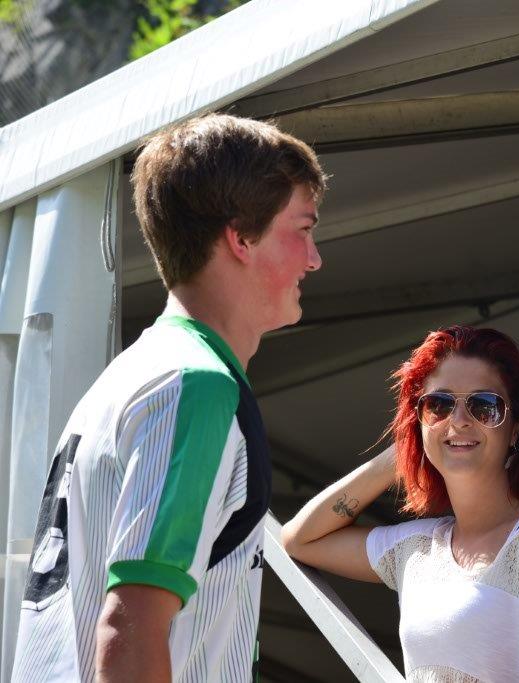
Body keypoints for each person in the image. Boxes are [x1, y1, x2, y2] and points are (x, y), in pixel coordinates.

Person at [11, 114, 326, 682]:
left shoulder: (130, 375)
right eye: (302, 229)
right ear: (241, 238)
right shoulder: (195, 386)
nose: (314, 257)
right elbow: (128, 628)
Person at [282, 325, 519, 682]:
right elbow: (300, 539)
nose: (459, 420)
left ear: (515, 429)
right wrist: (404, 450)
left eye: (484, 406)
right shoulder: (416, 548)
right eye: (439, 405)